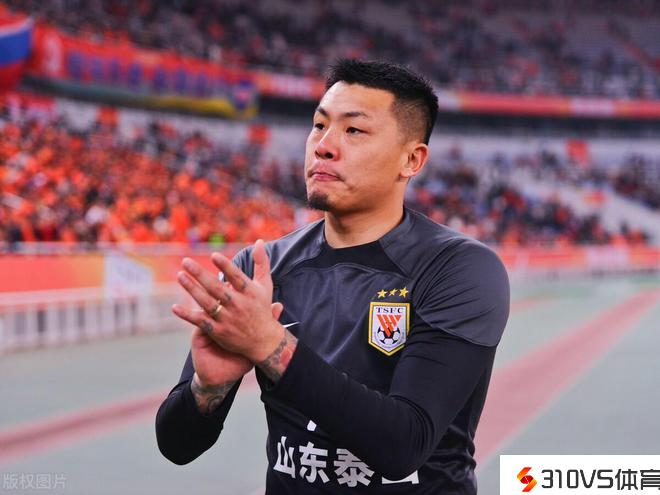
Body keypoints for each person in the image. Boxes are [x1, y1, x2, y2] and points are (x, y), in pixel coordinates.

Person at [155, 59, 510, 494]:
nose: (323, 146)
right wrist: (206, 389)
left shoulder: (457, 268)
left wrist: (271, 348)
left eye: (353, 130)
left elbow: (402, 446)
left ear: (411, 159)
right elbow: (177, 446)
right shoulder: (262, 267)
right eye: (319, 125)